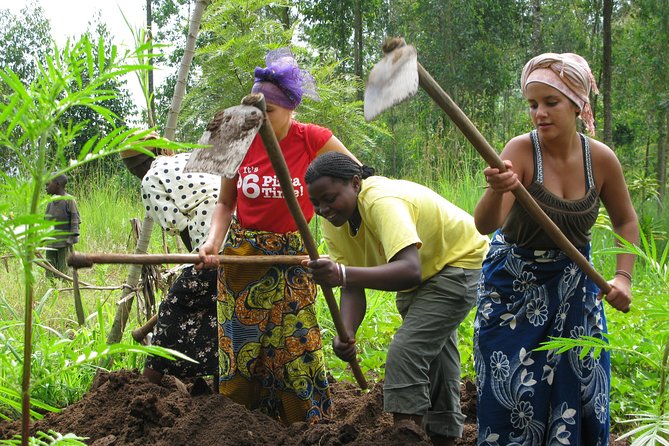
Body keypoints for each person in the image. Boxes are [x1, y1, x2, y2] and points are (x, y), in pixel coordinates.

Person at [473, 53, 639, 445]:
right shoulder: (520, 151)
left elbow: (626, 222)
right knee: (512, 395)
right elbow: (485, 225)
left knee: (580, 389)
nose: (540, 113)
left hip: (575, 291)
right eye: (533, 104)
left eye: (551, 103)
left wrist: (623, 277)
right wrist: (499, 190)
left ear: (579, 105)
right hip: (514, 290)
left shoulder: (599, 160)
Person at [198, 47, 359, 425]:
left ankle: (306, 426)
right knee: (242, 351)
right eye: (254, 112)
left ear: (290, 108)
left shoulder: (313, 139)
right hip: (243, 258)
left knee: (297, 348)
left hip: (294, 257)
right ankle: (239, 427)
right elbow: (225, 203)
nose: (258, 120)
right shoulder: (235, 133)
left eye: (267, 112)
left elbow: (358, 177)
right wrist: (212, 242)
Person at [302, 151, 489, 446]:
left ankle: (407, 434)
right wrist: (347, 332)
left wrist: (342, 273)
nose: (324, 209)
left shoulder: (381, 201)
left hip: (459, 262)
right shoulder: (334, 220)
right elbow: (351, 284)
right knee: (435, 357)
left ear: (354, 183)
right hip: (428, 269)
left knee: (406, 351)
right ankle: (444, 435)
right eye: (316, 203)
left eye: (330, 198)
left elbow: (408, 270)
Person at [121, 131, 220, 385]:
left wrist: (197, 261)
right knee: (218, 309)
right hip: (241, 234)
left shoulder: (150, 179)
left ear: (135, 167)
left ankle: (146, 385)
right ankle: (212, 382)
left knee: (173, 309)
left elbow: (180, 224)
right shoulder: (188, 158)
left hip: (213, 242)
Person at [44, 174, 80, 279]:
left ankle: (66, 286)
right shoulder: (50, 202)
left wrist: (71, 238)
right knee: (50, 267)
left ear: (57, 184)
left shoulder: (69, 200)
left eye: (48, 184)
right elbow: (46, 220)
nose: (46, 187)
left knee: (64, 267)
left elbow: (75, 219)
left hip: (64, 242)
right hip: (50, 242)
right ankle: (52, 286)